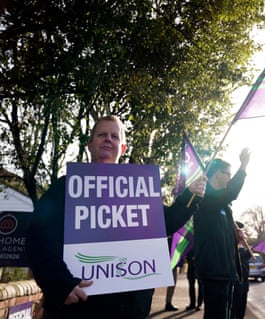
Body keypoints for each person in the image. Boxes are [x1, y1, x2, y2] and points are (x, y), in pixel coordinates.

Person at [26, 115, 207, 319]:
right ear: (90, 144)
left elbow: (163, 223)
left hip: (129, 310)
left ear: (122, 148)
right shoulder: (65, 188)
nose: (108, 139)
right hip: (78, 309)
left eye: (114, 136)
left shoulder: (139, 192)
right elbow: (38, 238)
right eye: (102, 135)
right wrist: (60, 283)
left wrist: (188, 197)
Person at [193, 149, 250, 319]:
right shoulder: (204, 197)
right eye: (228, 174)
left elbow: (220, 236)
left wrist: (236, 238)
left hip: (227, 271)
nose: (229, 178)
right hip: (213, 271)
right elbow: (231, 192)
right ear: (218, 174)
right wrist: (243, 167)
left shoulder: (224, 206)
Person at [231, 221, 252, 319]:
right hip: (234, 284)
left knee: (241, 309)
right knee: (232, 310)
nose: (241, 234)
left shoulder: (244, 249)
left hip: (244, 283)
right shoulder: (231, 248)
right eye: (238, 231)